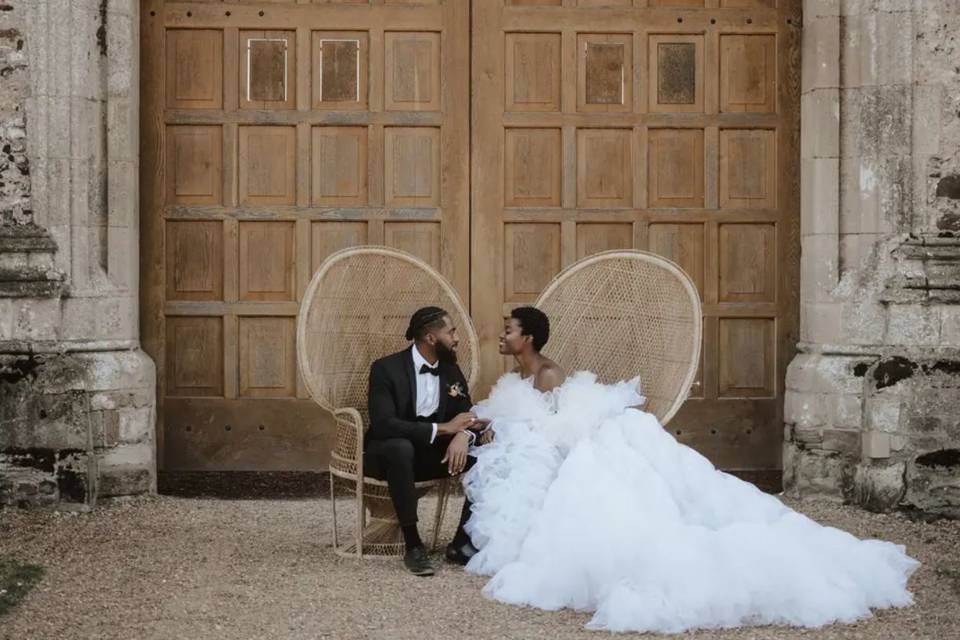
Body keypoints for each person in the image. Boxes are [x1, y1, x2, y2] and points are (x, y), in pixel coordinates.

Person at [461, 306, 920, 633]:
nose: (502, 336)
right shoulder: (523, 375)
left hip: (590, 444)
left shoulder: (548, 375)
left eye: (509, 330)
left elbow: (556, 430)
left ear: (530, 339)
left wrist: (508, 431)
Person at [365, 306, 487, 576]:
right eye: (451, 332)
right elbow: (384, 424)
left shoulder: (451, 369)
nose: (456, 338)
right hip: (387, 456)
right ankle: (413, 545)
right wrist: (444, 429)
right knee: (400, 447)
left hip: (432, 457)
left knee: (487, 458)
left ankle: (462, 543)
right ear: (431, 338)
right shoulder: (385, 369)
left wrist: (463, 436)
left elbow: (466, 416)